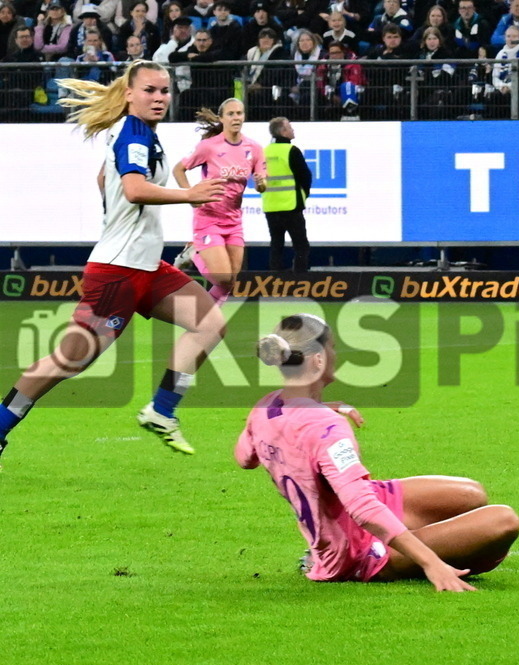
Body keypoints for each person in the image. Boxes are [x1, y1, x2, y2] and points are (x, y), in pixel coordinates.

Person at [0, 60, 227, 459]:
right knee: (71, 359)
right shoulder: (134, 133)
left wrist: (117, 212)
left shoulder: (141, 134)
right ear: (129, 93)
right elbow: (135, 189)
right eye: (149, 90)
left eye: (164, 90)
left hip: (146, 267)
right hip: (118, 273)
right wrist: (189, 195)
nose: (159, 97)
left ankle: (162, 410)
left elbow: (105, 179)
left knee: (210, 323)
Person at [237, 313, 519, 589]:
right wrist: (431, 563)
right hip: (352, 550)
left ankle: (407, 539)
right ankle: (393, 554)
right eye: (333, 347)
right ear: (319, 359)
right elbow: (362, 507)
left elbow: (245, 458)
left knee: (472, 494)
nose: (336, 354)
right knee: (503, 520)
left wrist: (314, 412)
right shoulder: (327, 428)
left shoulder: (267, 406)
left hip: (344, 518)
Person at [171, 98, 266, 307]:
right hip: (208, 218)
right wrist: (190, 195)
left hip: (233, 221)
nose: (236, 118)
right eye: (231, 114)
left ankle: (207, 318)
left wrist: (261, 183)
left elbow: (262, 185)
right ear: (222, 118)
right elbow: (178, 169)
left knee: (230, 280)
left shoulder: (255, 148)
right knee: (222, 277)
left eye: (239, 113)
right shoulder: (209, 147)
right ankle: (194, 252)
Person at [263, 117, 312, 271]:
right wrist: (304, 194)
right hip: (291, 205)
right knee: (301, 245)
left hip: (271, 206)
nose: (292, 130)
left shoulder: (264, 152)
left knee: (276, 244)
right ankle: (300, 276)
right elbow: (305, 176)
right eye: (290, 127)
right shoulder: (291, 151)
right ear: (283, 131)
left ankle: (274, 277)